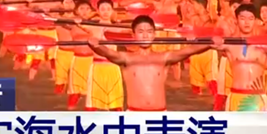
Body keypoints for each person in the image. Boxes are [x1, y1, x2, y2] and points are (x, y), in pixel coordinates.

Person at [87, 15, 218, 111]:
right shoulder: (126, 58)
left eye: (149, 32)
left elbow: (190, 50)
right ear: (133, 35)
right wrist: (96, 45)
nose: (145, 36)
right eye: (141, 32)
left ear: (154, 35)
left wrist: (210, 42)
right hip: (134, 114)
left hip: (160, 115)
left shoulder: (164, 58)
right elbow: (108, 53)